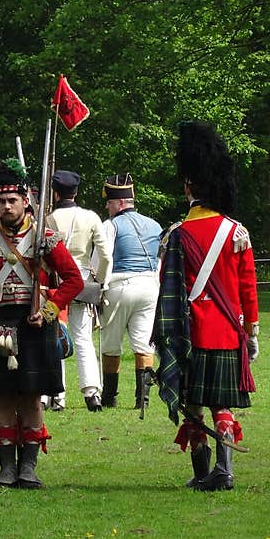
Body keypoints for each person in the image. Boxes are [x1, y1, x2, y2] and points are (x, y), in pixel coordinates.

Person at [153, 121, 258, 491]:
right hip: (229, 331)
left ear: (188, 188)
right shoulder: (237, 231)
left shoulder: (176, 235)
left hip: (193, 332)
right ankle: (225, 471)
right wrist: (252, 331)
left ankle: (201, 473)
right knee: (221, 404)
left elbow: (167, 292)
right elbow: (248, 287)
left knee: (194, 404)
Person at [0, 160, 83, 488]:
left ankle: (28, 468)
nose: (6, 207)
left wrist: (49, 308)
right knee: (3, 397)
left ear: (26, 202)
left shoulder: (45, 238)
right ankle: (6, 468)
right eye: (1, 202)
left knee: (32, 398)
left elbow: (74, 280)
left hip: (36, 325)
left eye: (12, 201)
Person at [46, 170, 112, 411]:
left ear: (54, 192)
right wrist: (99, 282)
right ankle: (92, 393)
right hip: (83, 279)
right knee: (83, 338)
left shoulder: (49, 218)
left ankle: (56, 396)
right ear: (76, 192)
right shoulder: (91, 217)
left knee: (54, 337)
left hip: (57, 280)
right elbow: (104, 255)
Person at [98, 174, 162, 409]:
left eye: (110, 201)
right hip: (149, 287)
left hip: (119, 286)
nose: (107, 206)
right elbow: (159, 260)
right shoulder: (155, 225)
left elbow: (103, 259)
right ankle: (142, 401)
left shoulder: (110, 225)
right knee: (144, 344)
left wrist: (99, 286)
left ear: (121, 203)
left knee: (111, 343)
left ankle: (110, 397)